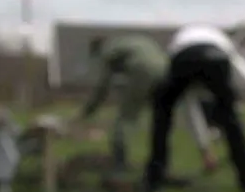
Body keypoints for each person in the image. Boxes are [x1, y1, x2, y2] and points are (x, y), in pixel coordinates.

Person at [143, 25, 245, 192]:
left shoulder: (180, 46)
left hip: (184, 59)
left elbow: (191, 110)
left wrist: (205, 149)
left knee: (162, 112)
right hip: (217, 59)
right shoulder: (222, 44)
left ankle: (154, 180)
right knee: (230, 118)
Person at [70, 34, 222, 178]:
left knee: (127, 116)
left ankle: (119, 161)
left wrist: (86, 112)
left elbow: (101, 88)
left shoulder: (107, 52)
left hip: (141, 69)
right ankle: (205, 153)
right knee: (169, 115)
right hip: (165, 68)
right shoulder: (133, 40)